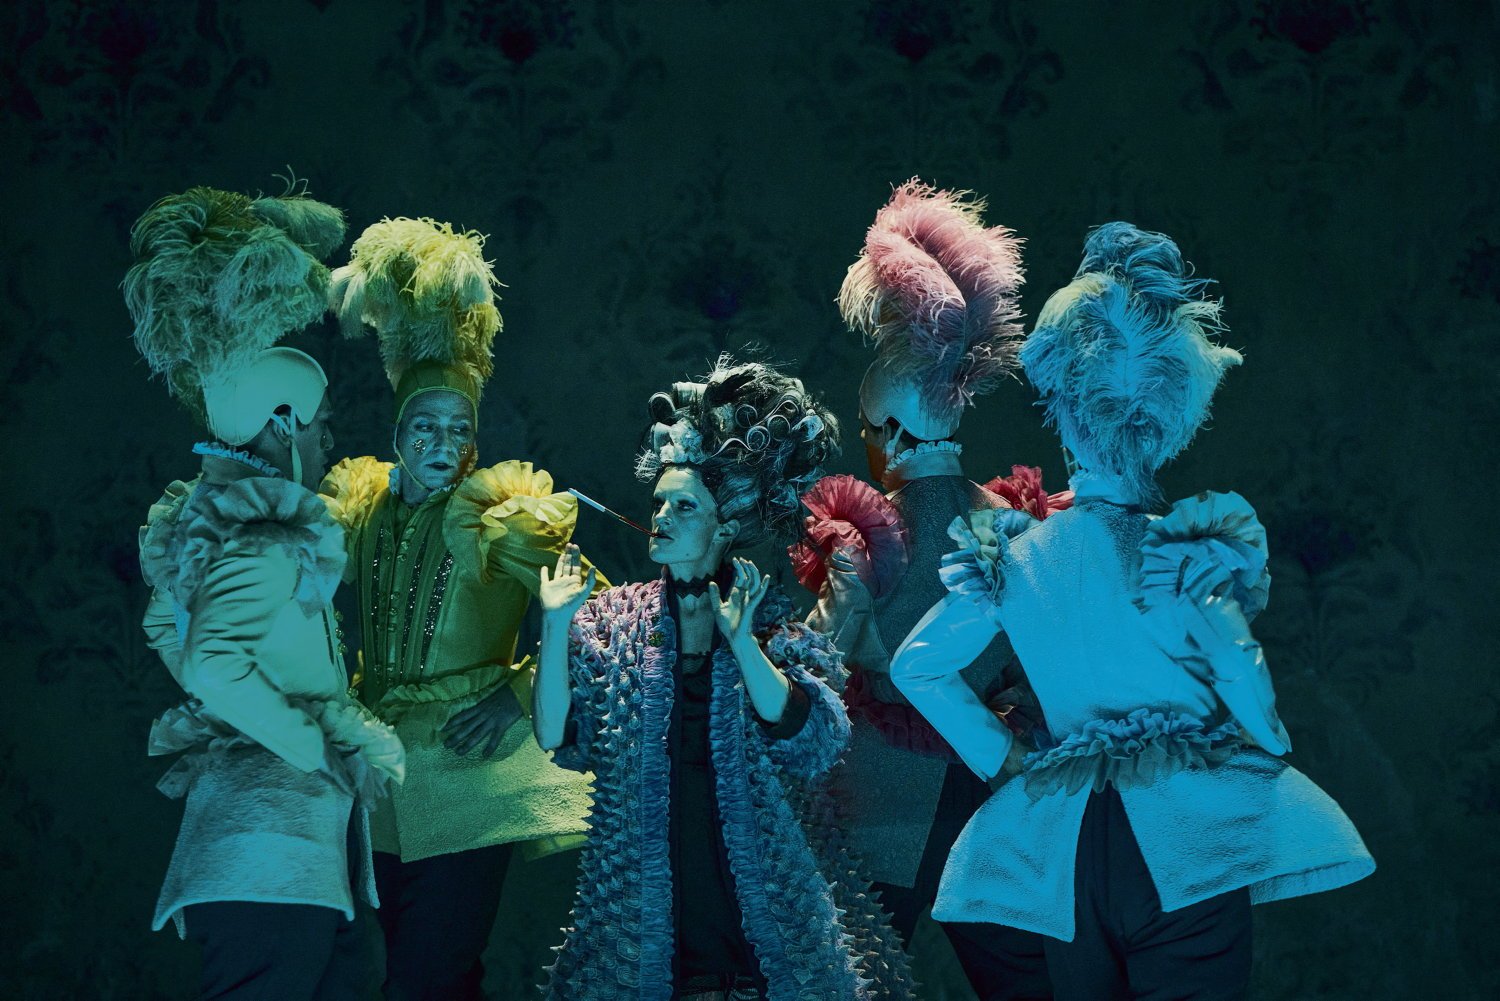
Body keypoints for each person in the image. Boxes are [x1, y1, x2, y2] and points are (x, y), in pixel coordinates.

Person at [891, 222, 1376, 1000]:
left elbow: (919, 666)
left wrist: (1002, 756)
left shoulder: (1017, 556)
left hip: (1071, 843)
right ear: (1168, 415)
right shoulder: (1183, 549)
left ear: (1060, 403)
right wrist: (1266, 737)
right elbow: (1237, 662)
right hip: (1183, 836)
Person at [533, 356, 913, 1000]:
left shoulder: (768, 624)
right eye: (659, 502)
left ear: (724, 525)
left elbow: (814, 737)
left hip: (757, 891)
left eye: (684, 506)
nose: (662, 516)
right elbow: (555, 736)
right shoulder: (611, 622)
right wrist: (553, 624)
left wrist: (740, 643)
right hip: (643, 895)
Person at [129, 182, 405, 1000]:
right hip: (269, 862)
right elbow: (212, 663)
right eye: (320, 427)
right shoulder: (261, 529)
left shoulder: (211, 521)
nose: (328, 442)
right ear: (283, 424)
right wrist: (313, 743)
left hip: (277, 858)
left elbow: (166, 626)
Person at [319, 217, 603, 1001]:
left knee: (430, 976)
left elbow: (609, 615)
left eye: (459, 428)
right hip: (380, 779)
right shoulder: (362, 507)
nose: (443, 442)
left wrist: (518, 692)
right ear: (397, 431)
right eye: (425, 425)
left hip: (470, 777)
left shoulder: (501, 521)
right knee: (415, 977)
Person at [795, 179, 1055, 1000]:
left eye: (867, 430)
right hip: (996, 785)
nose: (865, 444)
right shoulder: (1013, 523)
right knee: (1022, 980)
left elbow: (815, 658)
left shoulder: (869, 531)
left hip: (885, 798)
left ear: (893, 433)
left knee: (858, 976)